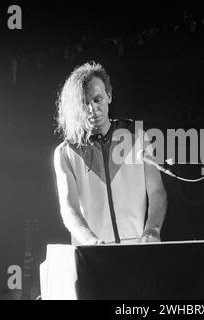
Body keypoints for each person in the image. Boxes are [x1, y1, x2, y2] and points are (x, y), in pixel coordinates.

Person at [53, 61, 167, 245]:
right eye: (85, 103)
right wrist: (90, 241)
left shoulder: (138, 138)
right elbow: (69, 208)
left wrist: (152, 230)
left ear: (109, 95)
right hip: (91, 254)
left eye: (97, 99)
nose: (93, 109)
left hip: (137, 252)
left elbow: (157, 192)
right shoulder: (66, 152)